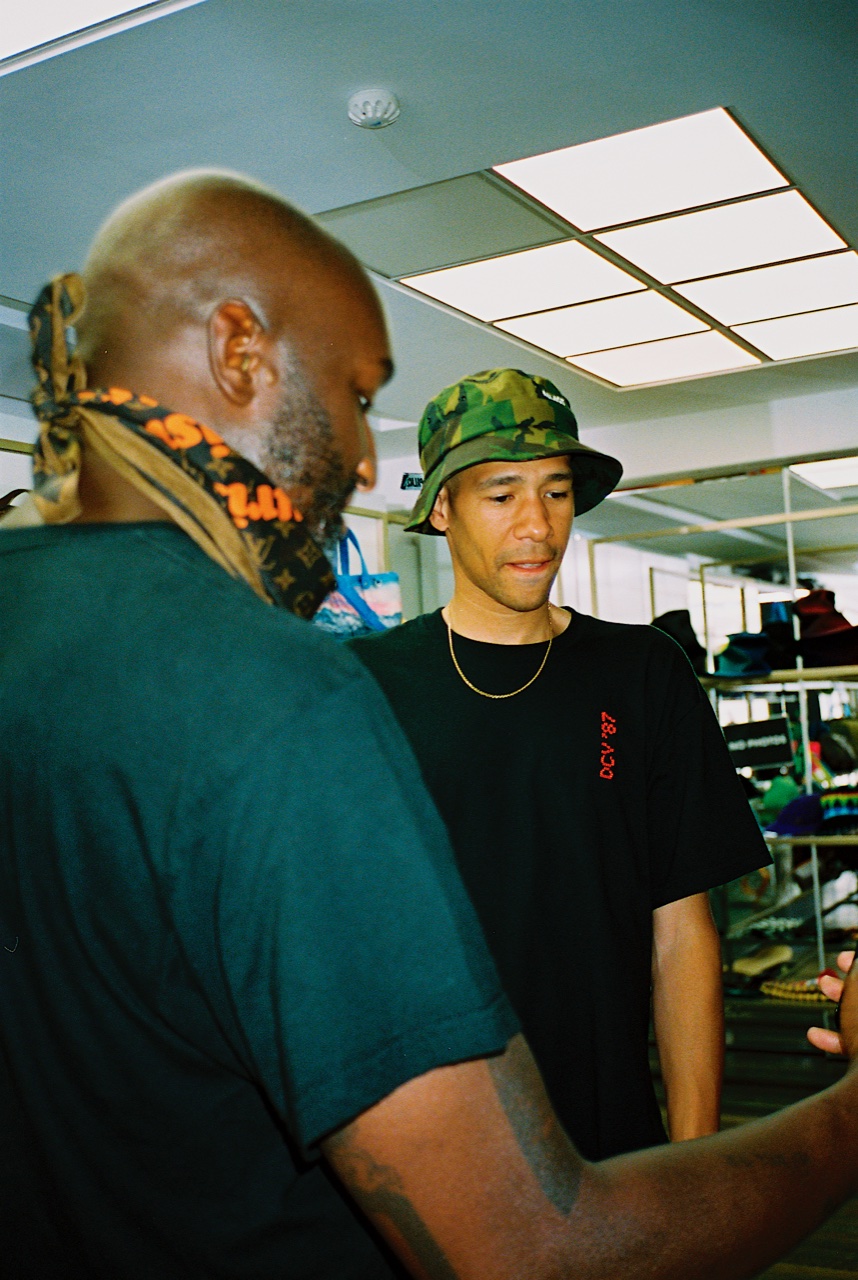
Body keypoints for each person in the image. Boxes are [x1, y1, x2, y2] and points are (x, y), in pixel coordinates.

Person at [2, 170, 858, 1280]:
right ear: (240, 352)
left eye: (554, 490)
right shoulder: (291, 697)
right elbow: (528, 1247)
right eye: (358, 394)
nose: (364, 460)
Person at [351, 368, 768, 1160]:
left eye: (556, 492)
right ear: (443, 508)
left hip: (609, 1138)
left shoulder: (643, 672)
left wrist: (692, 1166)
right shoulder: (367, 684)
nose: (536, 526)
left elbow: (682, 934)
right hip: (432, 1147)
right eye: (501, 494)